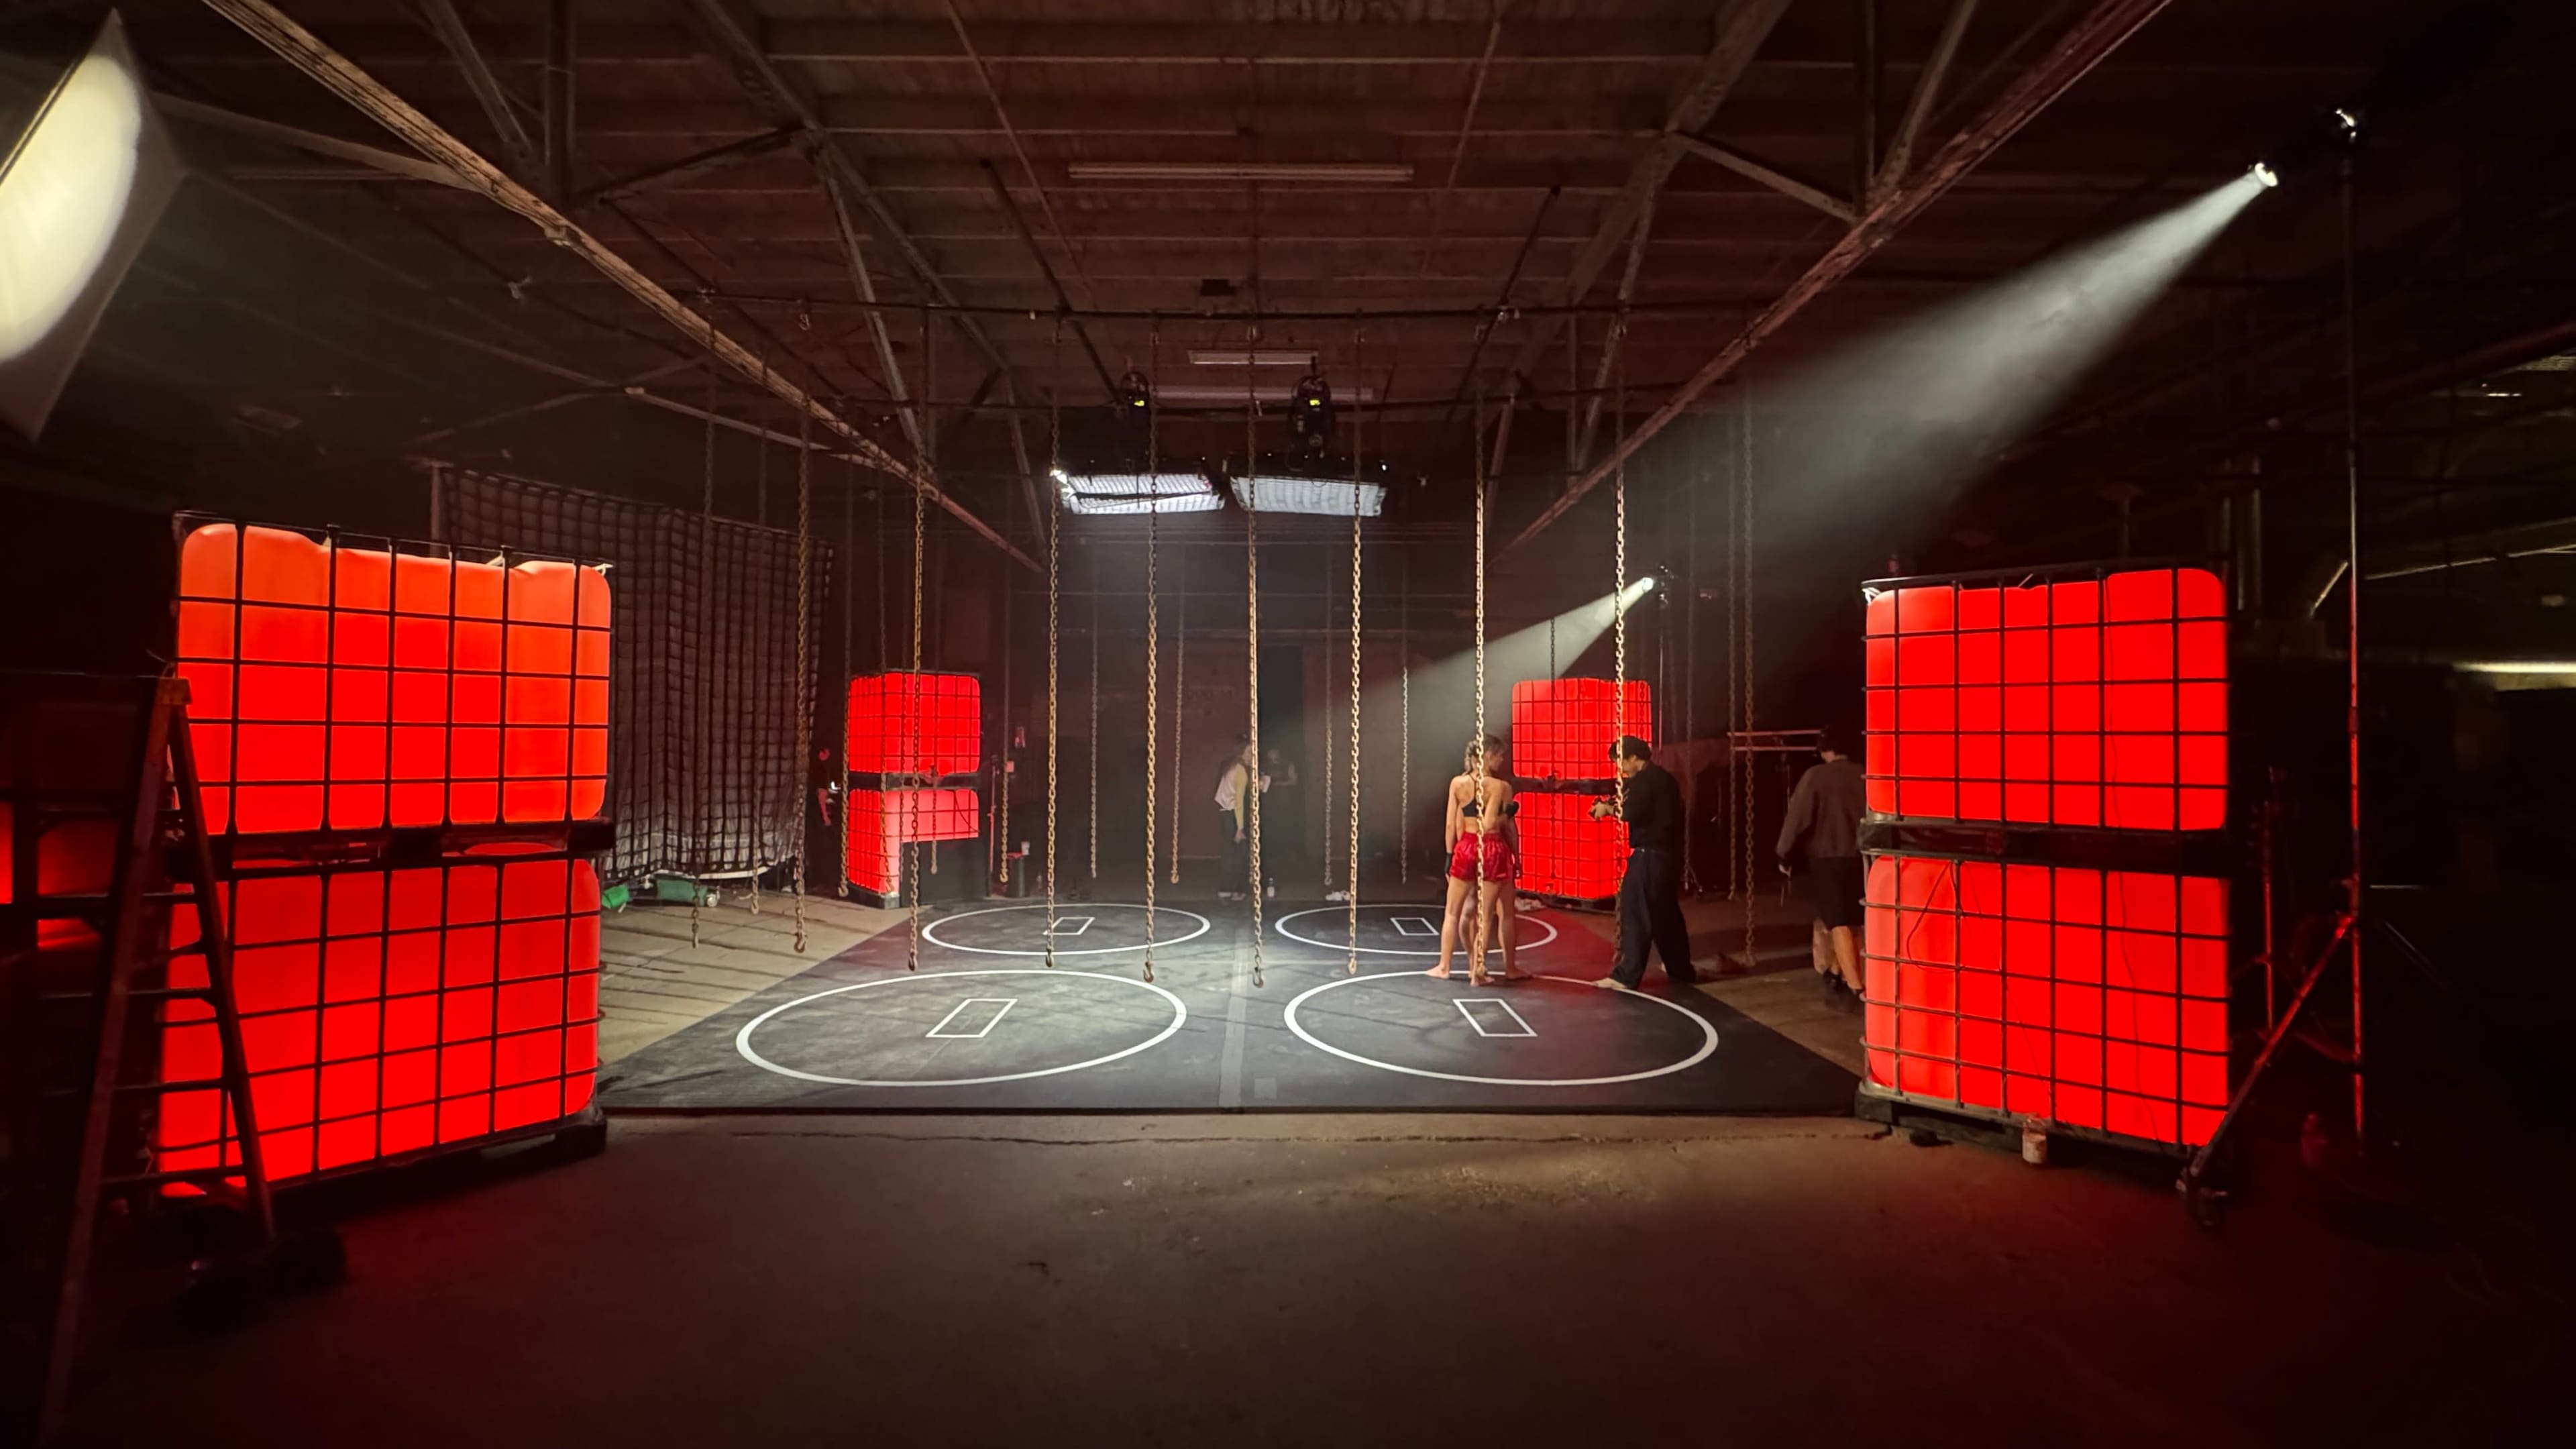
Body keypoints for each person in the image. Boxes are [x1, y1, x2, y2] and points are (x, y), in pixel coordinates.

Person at [1591, 736, 1697, 991]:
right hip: (1667, 855)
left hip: (1649, 854)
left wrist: (1607, 810)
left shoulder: (1643, 781)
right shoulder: (1664, 778)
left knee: (1636, 912)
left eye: (1621, 762)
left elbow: (1629, 812)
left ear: (1634, 758)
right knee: (1665, 914)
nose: (1621, 769)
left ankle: (1626, 975)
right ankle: (1680, 969)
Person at [1429, 735, 1526, 985]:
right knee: (1492, 915)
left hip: (1466, 846)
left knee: (1454, 912)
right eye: (1499, 756)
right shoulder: (1500, 787)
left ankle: (1444, 966)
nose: (1502, 760)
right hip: (1492, 848)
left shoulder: (1457, 783)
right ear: (1487, 756)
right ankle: (1483, 971)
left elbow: (1453, 824)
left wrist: (1450, 856)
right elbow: (1495, 824)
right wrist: (1516, 853)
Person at [1778, 730, 1867, 1000]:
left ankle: (1856, 986)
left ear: (1823, 749)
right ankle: (1837, 971)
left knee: (1838, 921)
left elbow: (1798, 818)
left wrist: (1784, 853)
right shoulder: (1865, 775)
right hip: (1865, 857)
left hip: (1829, 858)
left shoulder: (1816, 776)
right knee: (1857, 918)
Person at [1214, 742, 1268, 902]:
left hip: (1227, 812)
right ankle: (1236, 889)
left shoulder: (1232, 768)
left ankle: (1226, 888)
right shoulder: (1241, 772)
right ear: (1241, 754)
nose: (1253, 756)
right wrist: (1240, 827)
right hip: (1234, 815)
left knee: (1230, 853)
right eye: (1249, 752)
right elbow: (1239, 801)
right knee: (1240, 854)